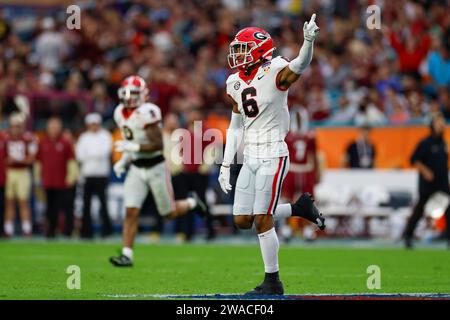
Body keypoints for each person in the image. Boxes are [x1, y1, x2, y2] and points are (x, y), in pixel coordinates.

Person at [218, 15, 325, 295]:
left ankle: (272, 281)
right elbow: (235, 125)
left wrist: (308, 42)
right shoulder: (233, 82)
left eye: (242, 49)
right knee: (242, 220)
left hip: (273, 152)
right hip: (250, 154)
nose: (237, 55)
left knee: (263, 219)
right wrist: (227, 162)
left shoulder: (275, 69)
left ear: (258, 49)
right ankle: (298, 209)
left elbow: (299, 65)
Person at [109, 75, 206, 267]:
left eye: (133, 94)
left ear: (143, 95)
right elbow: (130, 140)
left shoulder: (149, 111)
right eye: (126, 94)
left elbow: (156, 144)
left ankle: (191, 202)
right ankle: (127, 255)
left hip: (155, 167)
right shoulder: (119, 112)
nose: (129, 98)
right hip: (136, 168)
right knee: (131, 212)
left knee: (168, 212)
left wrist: (133, 149)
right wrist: (124, 160)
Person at [404, 113, 450, 249]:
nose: (441, 125)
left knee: (448, 209)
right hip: (428, 183)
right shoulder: (425, 143)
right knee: (419, 209)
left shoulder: (444, 143)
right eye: (438, 122)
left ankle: (448, 237)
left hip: (442, 181)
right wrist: (425, 171)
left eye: (442, 122)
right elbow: (413, 160)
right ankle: (408, 236)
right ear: (432, 125)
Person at [36, 117, 78, 238]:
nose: (53, 129)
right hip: (48, 180)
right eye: (51, 127)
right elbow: (38, 161)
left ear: (60, 128)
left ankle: (67, 230)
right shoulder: (43, 142)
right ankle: (51, 231)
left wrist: (71, 176)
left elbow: (71, 161)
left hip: (62, 181)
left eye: (55, 127)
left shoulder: (65, 142)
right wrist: (37, 177)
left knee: (64, 207)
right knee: (49, 208)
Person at [75, 113, 113, 238]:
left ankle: (106, 231)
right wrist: (93, 155)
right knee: (86, 205)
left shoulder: (105, 136)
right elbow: (80, 155)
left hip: (101, 174)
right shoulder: (84, 137)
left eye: (95, 124)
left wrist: (90, 155)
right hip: (88, 174)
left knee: (104, 204)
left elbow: (105, 152)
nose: (94, 126)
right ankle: (86, 232)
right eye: (92, 124)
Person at [3, 113, 38, 237]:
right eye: (14, 126)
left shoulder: (29, 138)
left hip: (22, 172)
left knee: (23, 201)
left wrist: (18, 160)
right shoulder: (5, 138)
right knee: (9, 201)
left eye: (18, 126)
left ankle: (27, 228)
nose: (16, 129)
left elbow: (32, 158)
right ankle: (8, 229)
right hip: (9, 172)